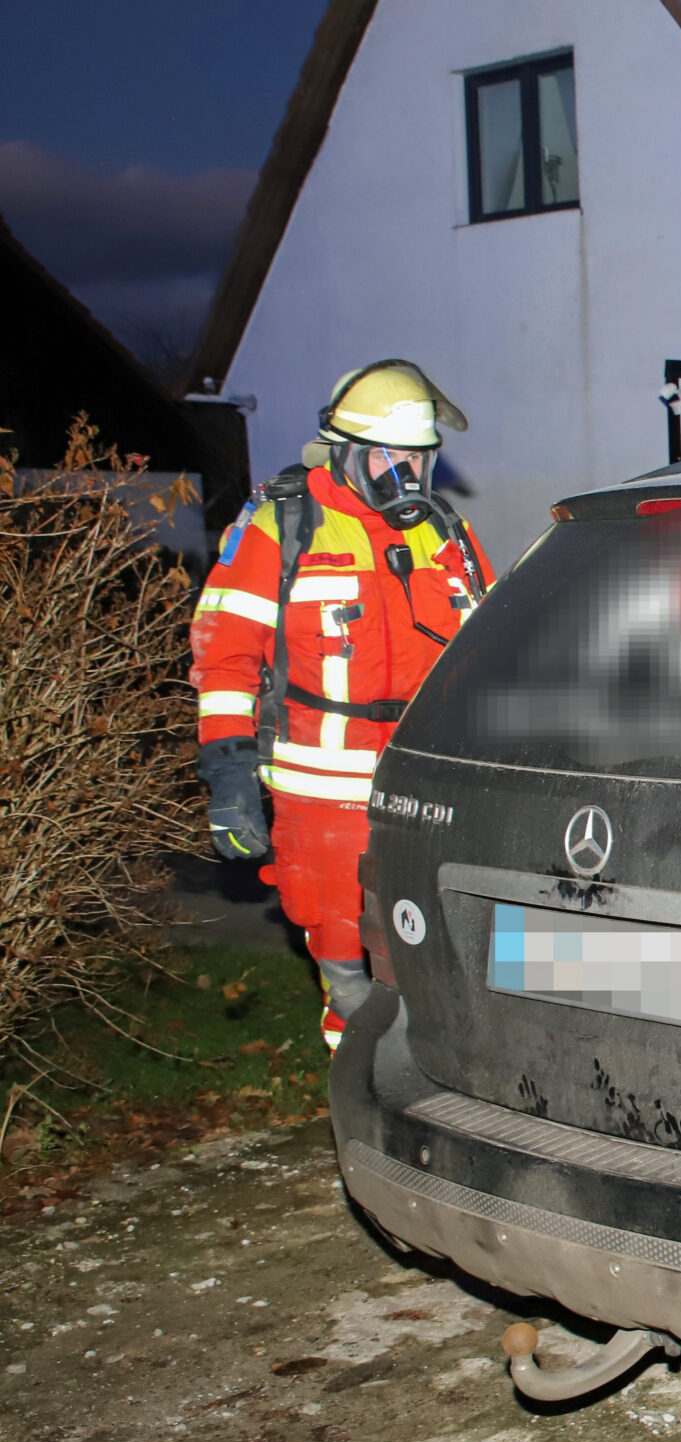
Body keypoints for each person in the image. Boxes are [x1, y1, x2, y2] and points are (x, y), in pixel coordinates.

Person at [190, 361, 490, 1049]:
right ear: (345, 450)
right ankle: (358, 1108)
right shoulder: (281, 529)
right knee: (350, 979)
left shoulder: (444, 536)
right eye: (388, 455)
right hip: (322, 799)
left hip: (430, 789)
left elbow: (485, 652)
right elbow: (223, 652)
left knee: (439, 951)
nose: (404, 473)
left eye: (418, 456)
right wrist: (229, 771)